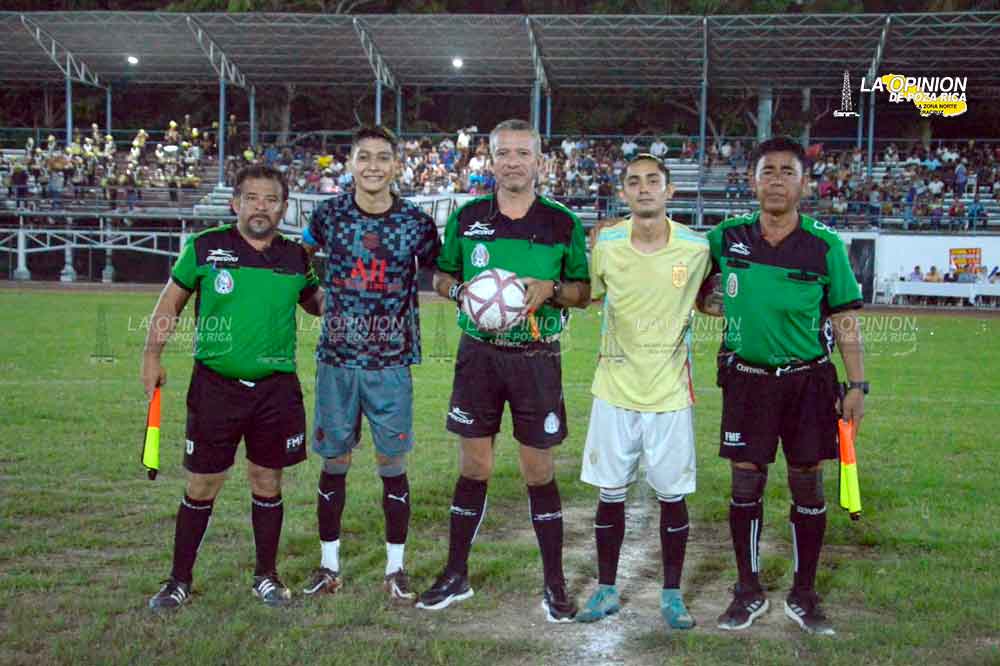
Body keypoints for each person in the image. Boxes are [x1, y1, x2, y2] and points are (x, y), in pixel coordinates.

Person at [416, 119, 590, 622]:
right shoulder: (468, 216)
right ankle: (456, 574)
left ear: (540, 161)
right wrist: (461, 293)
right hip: (479, 355)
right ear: (490, 160)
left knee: (538, 470)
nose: (513, 161)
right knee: (475, 467)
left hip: (536, 357)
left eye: (523, 153)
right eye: (504, 153)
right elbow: (442, 275)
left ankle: (554, 584)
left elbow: (582, 291)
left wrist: (551, 289)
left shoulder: (562, 222)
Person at [143, 164, 323, 610]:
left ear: (284, 206)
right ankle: (178, 580)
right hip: (216, 387)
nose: (261, 207)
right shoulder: (206, 247)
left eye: (271, 200)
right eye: (252, 198)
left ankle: (266, 575)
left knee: (267, 480)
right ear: (235, 202)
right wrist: (151, 355)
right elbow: (171, 302)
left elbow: (319, 304)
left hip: (275, 389)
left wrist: (351, 286)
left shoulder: (297, 257)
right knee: (203, 483)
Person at [706, 137, 865, 635]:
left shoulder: (825, 245)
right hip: (747, 381)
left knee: (806, 482)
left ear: (804, 183)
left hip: (808, 382)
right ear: (753, 180)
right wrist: (719, 306)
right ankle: (747, 591)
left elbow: (844, 319)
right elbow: (693, 288)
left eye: (787, 171)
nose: (776, 179)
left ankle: (805, 591)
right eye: (767, 170)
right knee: (746, 481)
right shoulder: (725, 237)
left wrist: (858, 383)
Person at [299, 126, 441, 602]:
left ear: (397, 165)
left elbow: (444, 269)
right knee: (334, 461)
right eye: (365, 157)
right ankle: (328, 565)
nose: (374, 165)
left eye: (383, 157)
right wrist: (313, 299)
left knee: (391, 463)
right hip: (337, 359)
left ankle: (395, 569)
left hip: (391, 360)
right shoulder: (327, 216)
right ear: (350, 163)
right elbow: (297, 259)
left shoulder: (416, 223)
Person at [575, 154, 715, 630]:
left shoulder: (696, 248)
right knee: (610, 493)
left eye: (653, 181)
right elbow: (588, 295)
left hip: (671, 393)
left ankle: (672, 595)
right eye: (634, 182)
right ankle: (607, 589)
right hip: (613, 387)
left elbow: (711, 298)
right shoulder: (607, 244)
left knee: (672, 496)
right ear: (624, 193)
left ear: (670, 191)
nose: (644, 188)